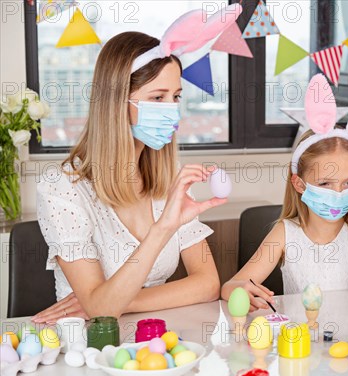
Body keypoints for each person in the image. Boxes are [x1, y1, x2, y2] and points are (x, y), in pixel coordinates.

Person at [32, 5, 243, 323]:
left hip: (155, 337)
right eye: (158, 98)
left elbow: (208, 283)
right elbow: (100, 314)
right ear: (117, 101)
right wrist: (164, 229)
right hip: (89, 344)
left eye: (176, 96)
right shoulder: (62, 188)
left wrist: (118, 301)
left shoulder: (168, 177)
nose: (172, 110)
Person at [221, 74, 348, 310]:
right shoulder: (285, 233)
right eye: (325, 184)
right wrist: (239, 290)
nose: (338, 193)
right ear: (299, 184)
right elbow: (230, 286)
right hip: (300, 343)